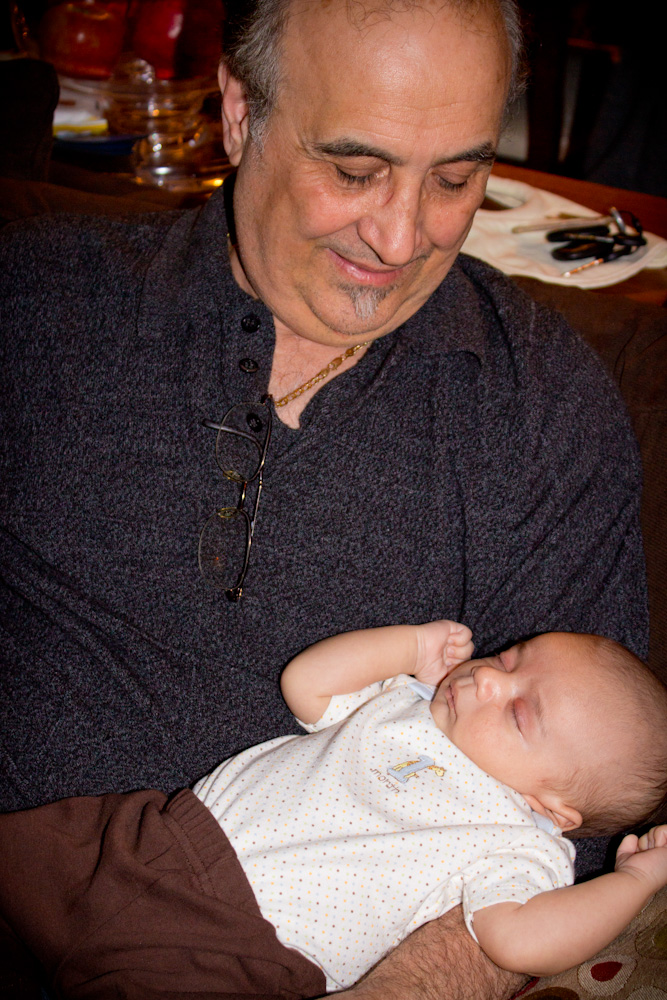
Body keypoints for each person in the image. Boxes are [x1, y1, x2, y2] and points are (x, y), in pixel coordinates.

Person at [0, 0, 650, 998]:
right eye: (352, 170)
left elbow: (579, 821)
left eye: (455, 179)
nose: (399, 237)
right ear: (239, 112)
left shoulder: (542, 408)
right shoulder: (37, 307)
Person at [2, 621, 666, 999]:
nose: (488, 677)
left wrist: (632, 882)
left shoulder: (518, 840)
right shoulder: (409, 701)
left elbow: (518, 941)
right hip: (151, 836)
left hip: (239, 945)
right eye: (509, 659)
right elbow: (307, 684)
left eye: (519, 712)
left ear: (554, 807)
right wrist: (410, 648)